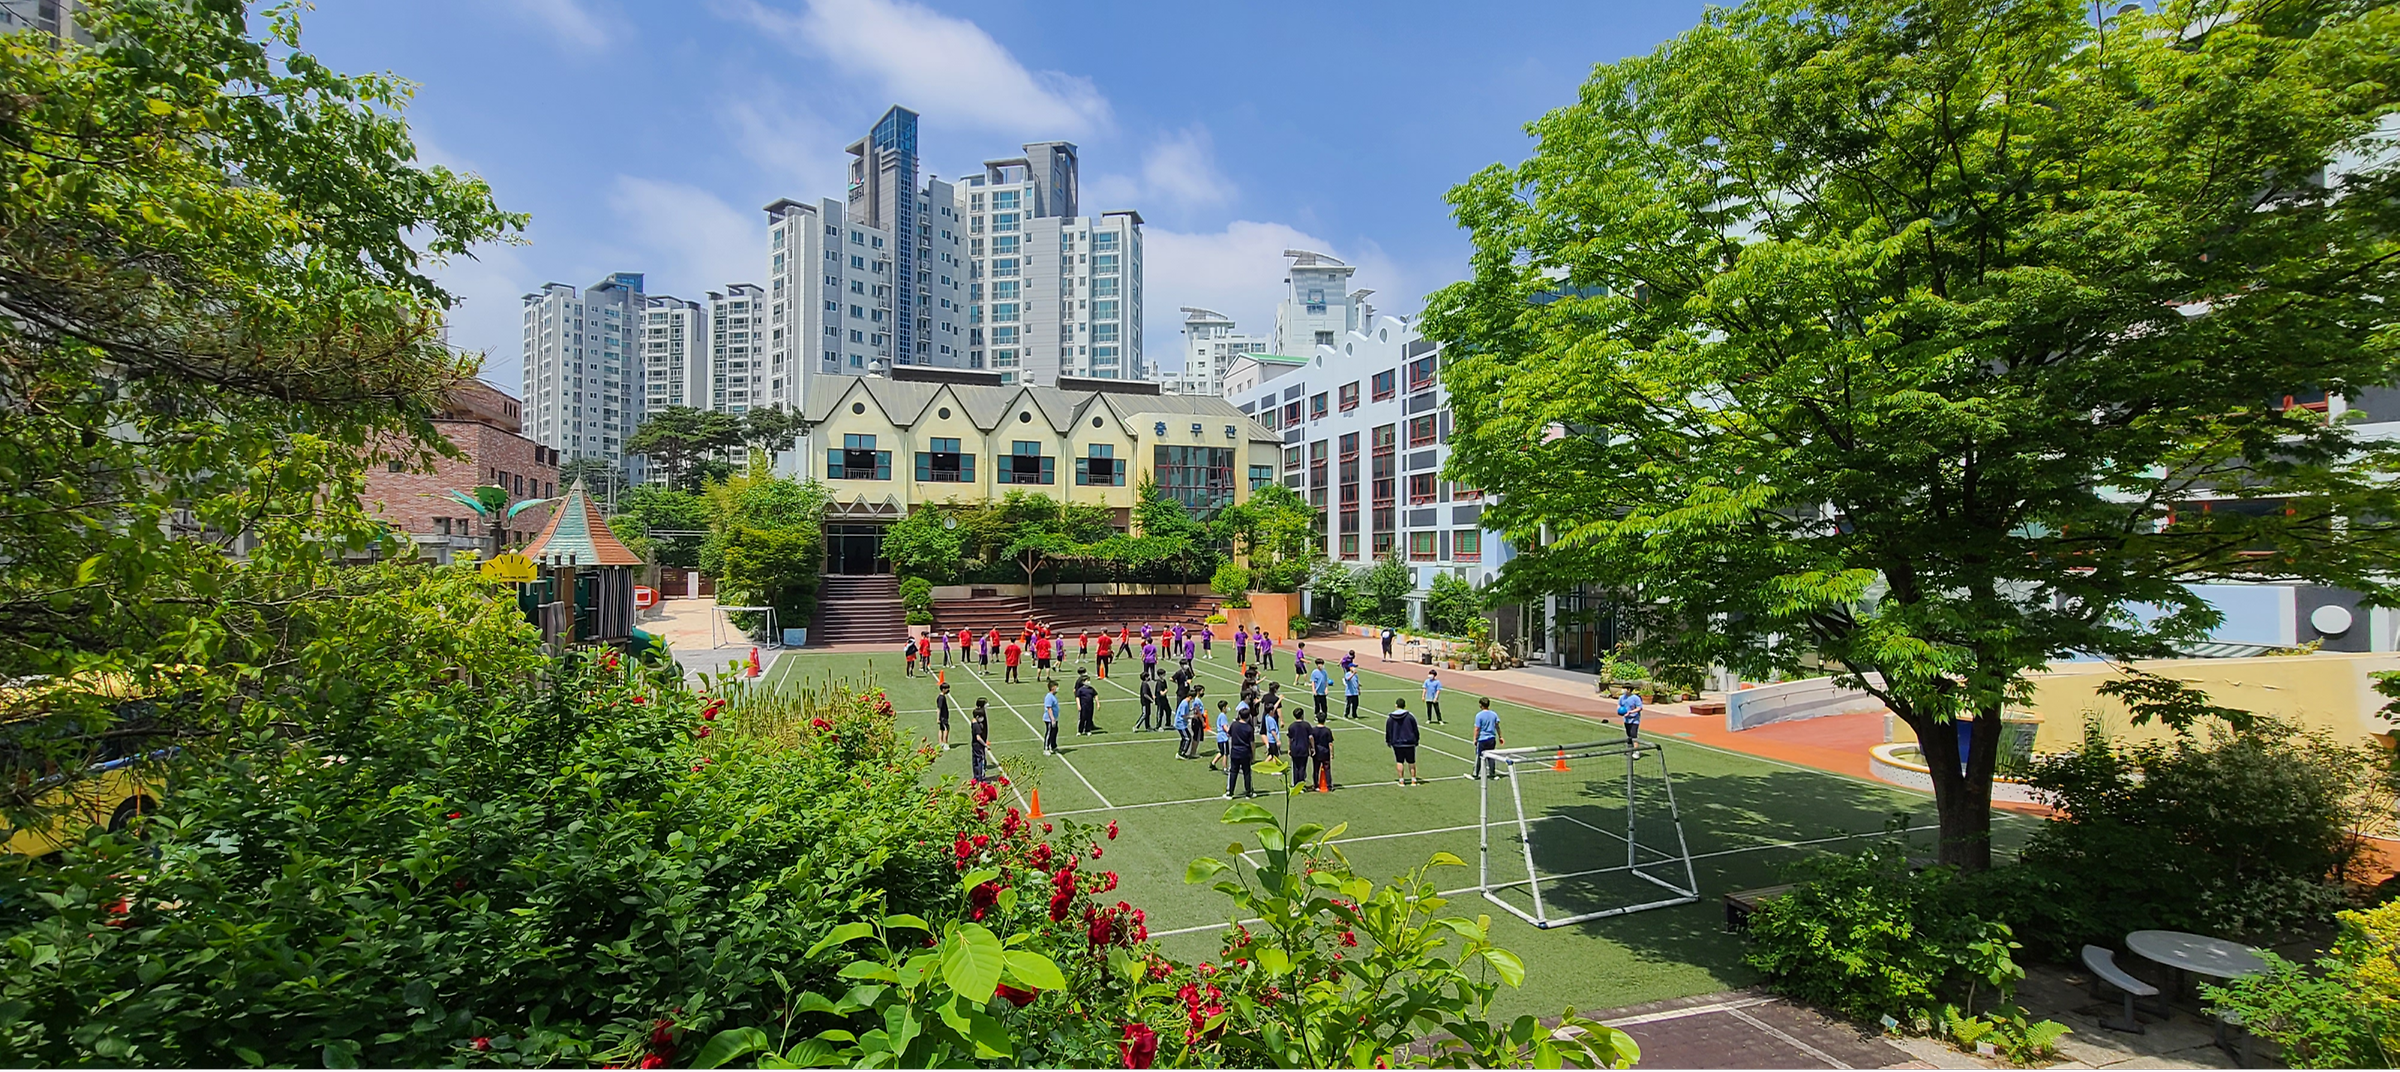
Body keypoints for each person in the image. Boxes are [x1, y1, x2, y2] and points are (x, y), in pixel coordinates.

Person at [1385, 697, 1422, 785]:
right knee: (1411, 761)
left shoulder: (1391, 718)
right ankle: (1413, 780)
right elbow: (1415, 729)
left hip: (1397, 743)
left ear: (1396, 705)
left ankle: (1401, 781)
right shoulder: (1410, 717)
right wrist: (1416, 740)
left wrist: (1388, 741)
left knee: (1399, 761)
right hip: (1409, 743)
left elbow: (1388, 730)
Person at [1225, 707, 1257, 798]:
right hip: (1245, 752)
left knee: (1233, 772)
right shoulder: (1249, 728)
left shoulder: (1234, 725)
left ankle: (1230, 792)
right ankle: (1248, 792)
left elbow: (1229, 734)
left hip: (1235, 751)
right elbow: (1252, 743)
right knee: (1247, 773)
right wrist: (1253, 755)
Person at [1286, 702, 1315, 789]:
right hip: (1303, 748)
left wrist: (1289, 749)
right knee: (1302, 767)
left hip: (1294, 748)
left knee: (1295, 767)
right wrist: (1312, 747)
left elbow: (1290, 739)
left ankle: (1295, 784)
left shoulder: (1291, 726)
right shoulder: (1306, 725)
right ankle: (1301, 785)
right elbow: (1310, 737)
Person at [1472, 697, 1502, 779]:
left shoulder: (1479, 715)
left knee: (1479, 756)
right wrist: (1500, 736)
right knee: (1491, 756)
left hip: (1482, 739)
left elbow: (1477, 728)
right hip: (1491, 738)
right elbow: (1497, 726)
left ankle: (1475, 774)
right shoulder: (1494, 714)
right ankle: (1492, 773)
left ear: (1481, 705)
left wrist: (1475, 739)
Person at [969, 699, 992, 783]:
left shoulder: (973, 722)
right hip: (979, 745)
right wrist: (986, 745)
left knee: (975, 761)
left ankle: (975, 777)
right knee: (980, 761)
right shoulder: (977, 726)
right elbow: (978, 737)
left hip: (974, 745)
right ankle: (980, 777)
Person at [1312, 713, 1335, 791]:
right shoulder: (1327, 730)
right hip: (1325, 752)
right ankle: (1329, 785)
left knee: (1316, 769)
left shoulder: (1313, 730)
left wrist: (1311, 749)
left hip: (1317, 751)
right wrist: (1332, 753)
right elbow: (1330, 743)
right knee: (1327, 769)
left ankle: (1316, 785)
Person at [1211, 699, 1233, 772]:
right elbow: (1224, 726)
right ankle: (1225, 768)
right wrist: (1230, 732)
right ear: (1223, 708)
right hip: (1223, 737)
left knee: (1222, 752)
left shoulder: (1221, 715)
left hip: (1221, 737)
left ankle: (1213, 763)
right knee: (1225, 753)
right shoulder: (1223, 716)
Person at [1042, 680, 1062, 754]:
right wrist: (1052, 718)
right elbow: (1049, 708)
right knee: (1049, 732)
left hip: (1054, 718)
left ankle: (1053, 746)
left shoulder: (1053, 696)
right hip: (1049, 719)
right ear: (1053, 688)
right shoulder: (1049, 697)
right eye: (1056, 687)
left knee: (1055, 731)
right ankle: (1046, 748)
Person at [936, 680, 954, 750]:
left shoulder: (941, 697)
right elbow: (939, 708)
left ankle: (941, 743)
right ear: (943, 689)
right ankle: (945, 743)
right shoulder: (941, 698)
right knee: (946, 729)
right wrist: (938, 718)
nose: (948, 690)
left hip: (943, 716)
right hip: (943, 717)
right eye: (947, 689)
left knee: (941, 729)